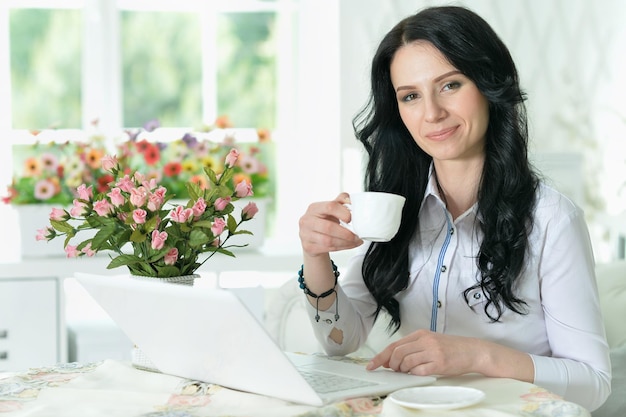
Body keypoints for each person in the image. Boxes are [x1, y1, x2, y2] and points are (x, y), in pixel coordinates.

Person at [297, 5, 611, 412]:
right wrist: (314, 255)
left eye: (450, 85)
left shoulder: (552, 219)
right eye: (410, 96)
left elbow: (594, 382)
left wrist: (477, 355)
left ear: (488, 85)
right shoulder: (397, 210)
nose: (432, 113)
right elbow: (340, 341)